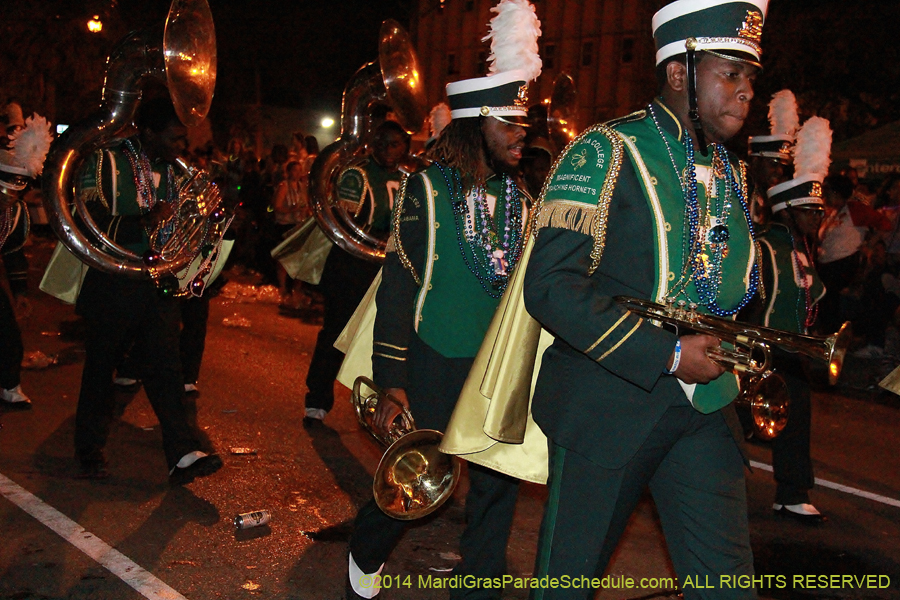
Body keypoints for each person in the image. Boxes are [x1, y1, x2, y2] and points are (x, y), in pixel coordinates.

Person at [523, 1, 767, 597]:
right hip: (607, 405)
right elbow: (550, 286)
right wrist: (667, 355)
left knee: (729, 586)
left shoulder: (731, 172)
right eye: (729, 72)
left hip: (704, 408)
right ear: (679, 72)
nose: (745, 92)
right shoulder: (604, 151)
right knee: (566, 584)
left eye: (751, 77)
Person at [345, 2, 540, 597]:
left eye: (523, 124)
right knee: (422, 478)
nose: (519, 134)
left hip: (494, 367)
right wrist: (392, 381)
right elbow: (399, 290)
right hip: (433, 359)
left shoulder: (524, 199)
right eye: (508, 124)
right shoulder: (425, 190)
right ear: (476, 122)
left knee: (498, 483)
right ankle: (366, 551)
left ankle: (480, 579)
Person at [73, 96, 222, 483]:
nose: (180, 147)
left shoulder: (177, 172)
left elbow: (190, 225)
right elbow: (86, 221)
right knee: (101, 367)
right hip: (114, 279)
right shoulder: (106, 161)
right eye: (173, 138)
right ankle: (88, 448)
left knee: (166, 368)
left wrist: (209, 213)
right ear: (148, 132)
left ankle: (182, 453)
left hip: (158, 282)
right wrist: (144, 221)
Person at [747, 113, 831, 523]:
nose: (818, 219)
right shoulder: (767, 245)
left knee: (795, 414)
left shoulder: (800, 247)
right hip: (758, 348)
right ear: (790, 211)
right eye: (811, 212)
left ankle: (792, 490)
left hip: (789, 347)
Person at [302, 120, 410, 425]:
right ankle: (317, 400)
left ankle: (377, 408)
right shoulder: (356, 172)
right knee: (335, 333)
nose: (389, 151)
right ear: (373, 144)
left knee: (381, 340)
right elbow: (344, 220)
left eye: (396, 144)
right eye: (384, 143)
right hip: (352, 265)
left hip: (386, 267)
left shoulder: (408, 179)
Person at [0, 102, 51, 408]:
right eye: (3, 193)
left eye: (15, 194)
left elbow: (13, 253)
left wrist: (20, 292)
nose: (9, 200)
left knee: (8, 332)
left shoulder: (15, 214)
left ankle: (8, 385)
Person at [816, 174, 890, 337]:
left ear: (836, 192)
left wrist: (869, 244)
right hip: (826, 263)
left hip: (844, 262)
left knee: (830, 297)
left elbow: (884, 223)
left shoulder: (855, 209)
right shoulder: (830, 212)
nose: (823, 196)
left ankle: (834, 336)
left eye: (826, 192)